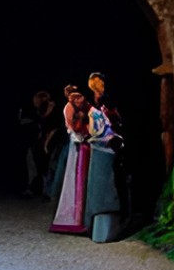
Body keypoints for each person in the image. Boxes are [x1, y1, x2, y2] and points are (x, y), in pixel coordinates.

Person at [85, 69, 125, 242]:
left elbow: (112, 123)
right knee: (100, 185)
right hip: (102, 146)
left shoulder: (104, 106)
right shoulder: (97, 108)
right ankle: (99, 224)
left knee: (105, 184)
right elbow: (96, 129)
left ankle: (107, 225)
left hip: (107, 146)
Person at [49, 85, 91, 234]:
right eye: (75, 97)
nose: (78, 99)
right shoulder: (69, 108)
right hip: (74, 145)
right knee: (70, 177)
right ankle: (68, 217)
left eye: (79, 96)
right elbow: (74, 127)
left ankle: (81, 216)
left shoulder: (85, 108)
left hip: (83, 144)